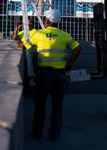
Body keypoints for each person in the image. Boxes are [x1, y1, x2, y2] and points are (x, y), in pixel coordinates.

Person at [21, 9, 81, 141]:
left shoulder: (39, 34)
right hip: (60, 75)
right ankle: (55, 133)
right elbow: (77, 47)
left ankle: (37, 131)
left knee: (40, 104)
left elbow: (25, 46)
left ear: (47, 21)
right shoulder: (64, 35)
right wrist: (70, 63)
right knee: (57, 105)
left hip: (44, 75)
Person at [13, 19, 37, 95]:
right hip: (25, 57)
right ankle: (27, 92)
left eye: (30, 22)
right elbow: (15, 38)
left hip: (33, 57)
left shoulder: (36, 32)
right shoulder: (23, 32)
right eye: (28, 22)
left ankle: (33, 91)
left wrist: (20, 44)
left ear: (33, 24)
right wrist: (17, 29)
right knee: (26, 75)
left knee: (33, 75)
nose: (29, 23)